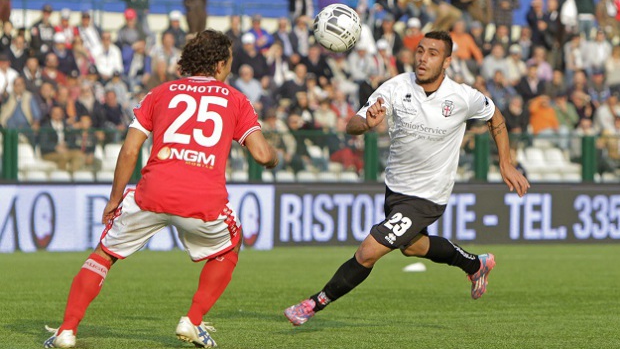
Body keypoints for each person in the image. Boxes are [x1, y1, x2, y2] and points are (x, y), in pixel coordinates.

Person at [44, 29, 279, 348]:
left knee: (105, 254)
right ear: (221, 65)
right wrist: (275, 155)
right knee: (230, 245)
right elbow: (263, 156)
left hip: (151, 192)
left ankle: (67, 331)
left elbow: (129, 151)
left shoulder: (160, 92)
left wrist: (115, 199)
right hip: (202, 200)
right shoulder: (236, 99)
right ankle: (192, 321)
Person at [284, 31, 530, 326]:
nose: (423, 58)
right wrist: (366, 123)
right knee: (412, 247)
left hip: (428, 196)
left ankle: (313, 304)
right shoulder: (396, 86)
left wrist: (506, 162)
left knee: (368, 251)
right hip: (396, 189)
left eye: (433, 53)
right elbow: (352, 124)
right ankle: (475, 264)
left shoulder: (462, 97)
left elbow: (495, 117)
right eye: (420, 51)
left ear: (447, 61)